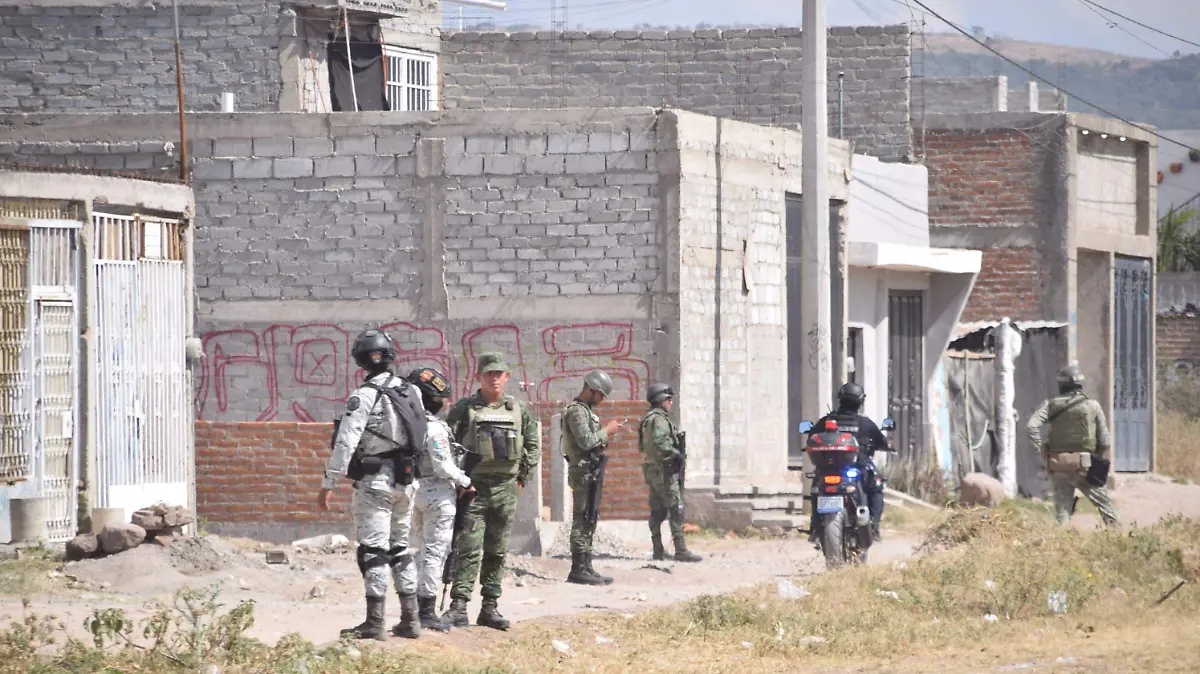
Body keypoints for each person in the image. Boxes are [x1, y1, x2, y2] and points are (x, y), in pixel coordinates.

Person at [318, 329, 427, 641]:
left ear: (361, 360)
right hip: (407, 480)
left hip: (376, 483)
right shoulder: (412, 391)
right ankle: (410, 620)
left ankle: (375, 622)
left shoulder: (363, 396)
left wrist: (329, 483)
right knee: (401, 549)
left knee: (374, 551)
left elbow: (345, 442)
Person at [442, 353, 540, 630]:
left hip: (505, 489)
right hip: (473, 490)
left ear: (507, 377)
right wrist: (459, 481)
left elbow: (532, 444)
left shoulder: (519, 409)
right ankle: (459, 606)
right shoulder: (463, 409)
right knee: (469, 548)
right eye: (489, 374)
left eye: (499, 373)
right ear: (479, 377)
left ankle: (490, 607)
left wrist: (522, 475)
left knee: (497, 551)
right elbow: (447, 445)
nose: (494, 378)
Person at [401, 367, 473, 634]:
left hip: (413, 493)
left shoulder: (405, 424)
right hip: (438, 495)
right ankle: (428, 612)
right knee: (435, 553)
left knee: (418, 551)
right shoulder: (433, 428)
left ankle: (413, 610)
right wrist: (466, 481)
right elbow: (444, 467)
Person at [1026, 364, 1120, 526]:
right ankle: (1120, 541)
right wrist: (1096, 459)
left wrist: (1041, 449)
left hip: (1058, 465)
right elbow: (1105, 441)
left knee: (1062, 512)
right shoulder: (1093, 406)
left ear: (1061, 385)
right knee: (1106, 509)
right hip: (1085, 465)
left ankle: (1061, 543)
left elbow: (1031, 426)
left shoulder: (1051, 405)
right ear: (1080, 384)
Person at [561, 369, 622, 586]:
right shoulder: (577, 412)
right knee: (581, 518)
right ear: (592, 390)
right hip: (582, 471)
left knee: (590, 517)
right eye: (602, 395)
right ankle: (577, 568)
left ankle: (586, 565)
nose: (603, 400)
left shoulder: (586, 411)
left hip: (591, 470)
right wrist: (607, 430)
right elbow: (586, 441)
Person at [810, 383, 890, 543]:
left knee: (816, 488)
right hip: (858, 467)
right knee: (877, 488)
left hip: (828, 468)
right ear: (860, 402)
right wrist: (885, 446)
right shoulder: (865, 423)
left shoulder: (827, 421)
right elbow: (883, 442)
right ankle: (873, 527)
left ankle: (815, 527)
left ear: (840, 399)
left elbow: (811, 436)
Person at [639, 382, 702, 563]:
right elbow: (660, 442)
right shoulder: (659, 420)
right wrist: (677, 454)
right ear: (660, 400)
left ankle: (658, 550)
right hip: (664, 471)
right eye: (668, 399)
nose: (670, 403)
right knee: (676, 509)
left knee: (657, 511)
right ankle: (680, 550)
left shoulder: (647, 420)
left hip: (653, 470)